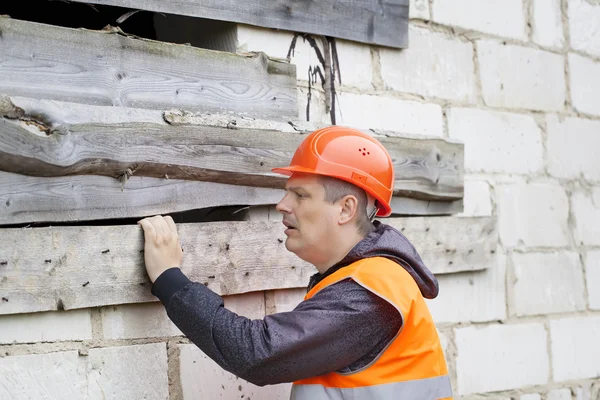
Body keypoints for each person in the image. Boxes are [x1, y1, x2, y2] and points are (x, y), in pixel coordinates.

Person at [138, 126, 453, 399]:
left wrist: (170, 279)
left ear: (345, 209)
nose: (282, 205)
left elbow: (259, 353)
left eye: (300, 195)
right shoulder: (362, 278)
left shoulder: (374, 289)